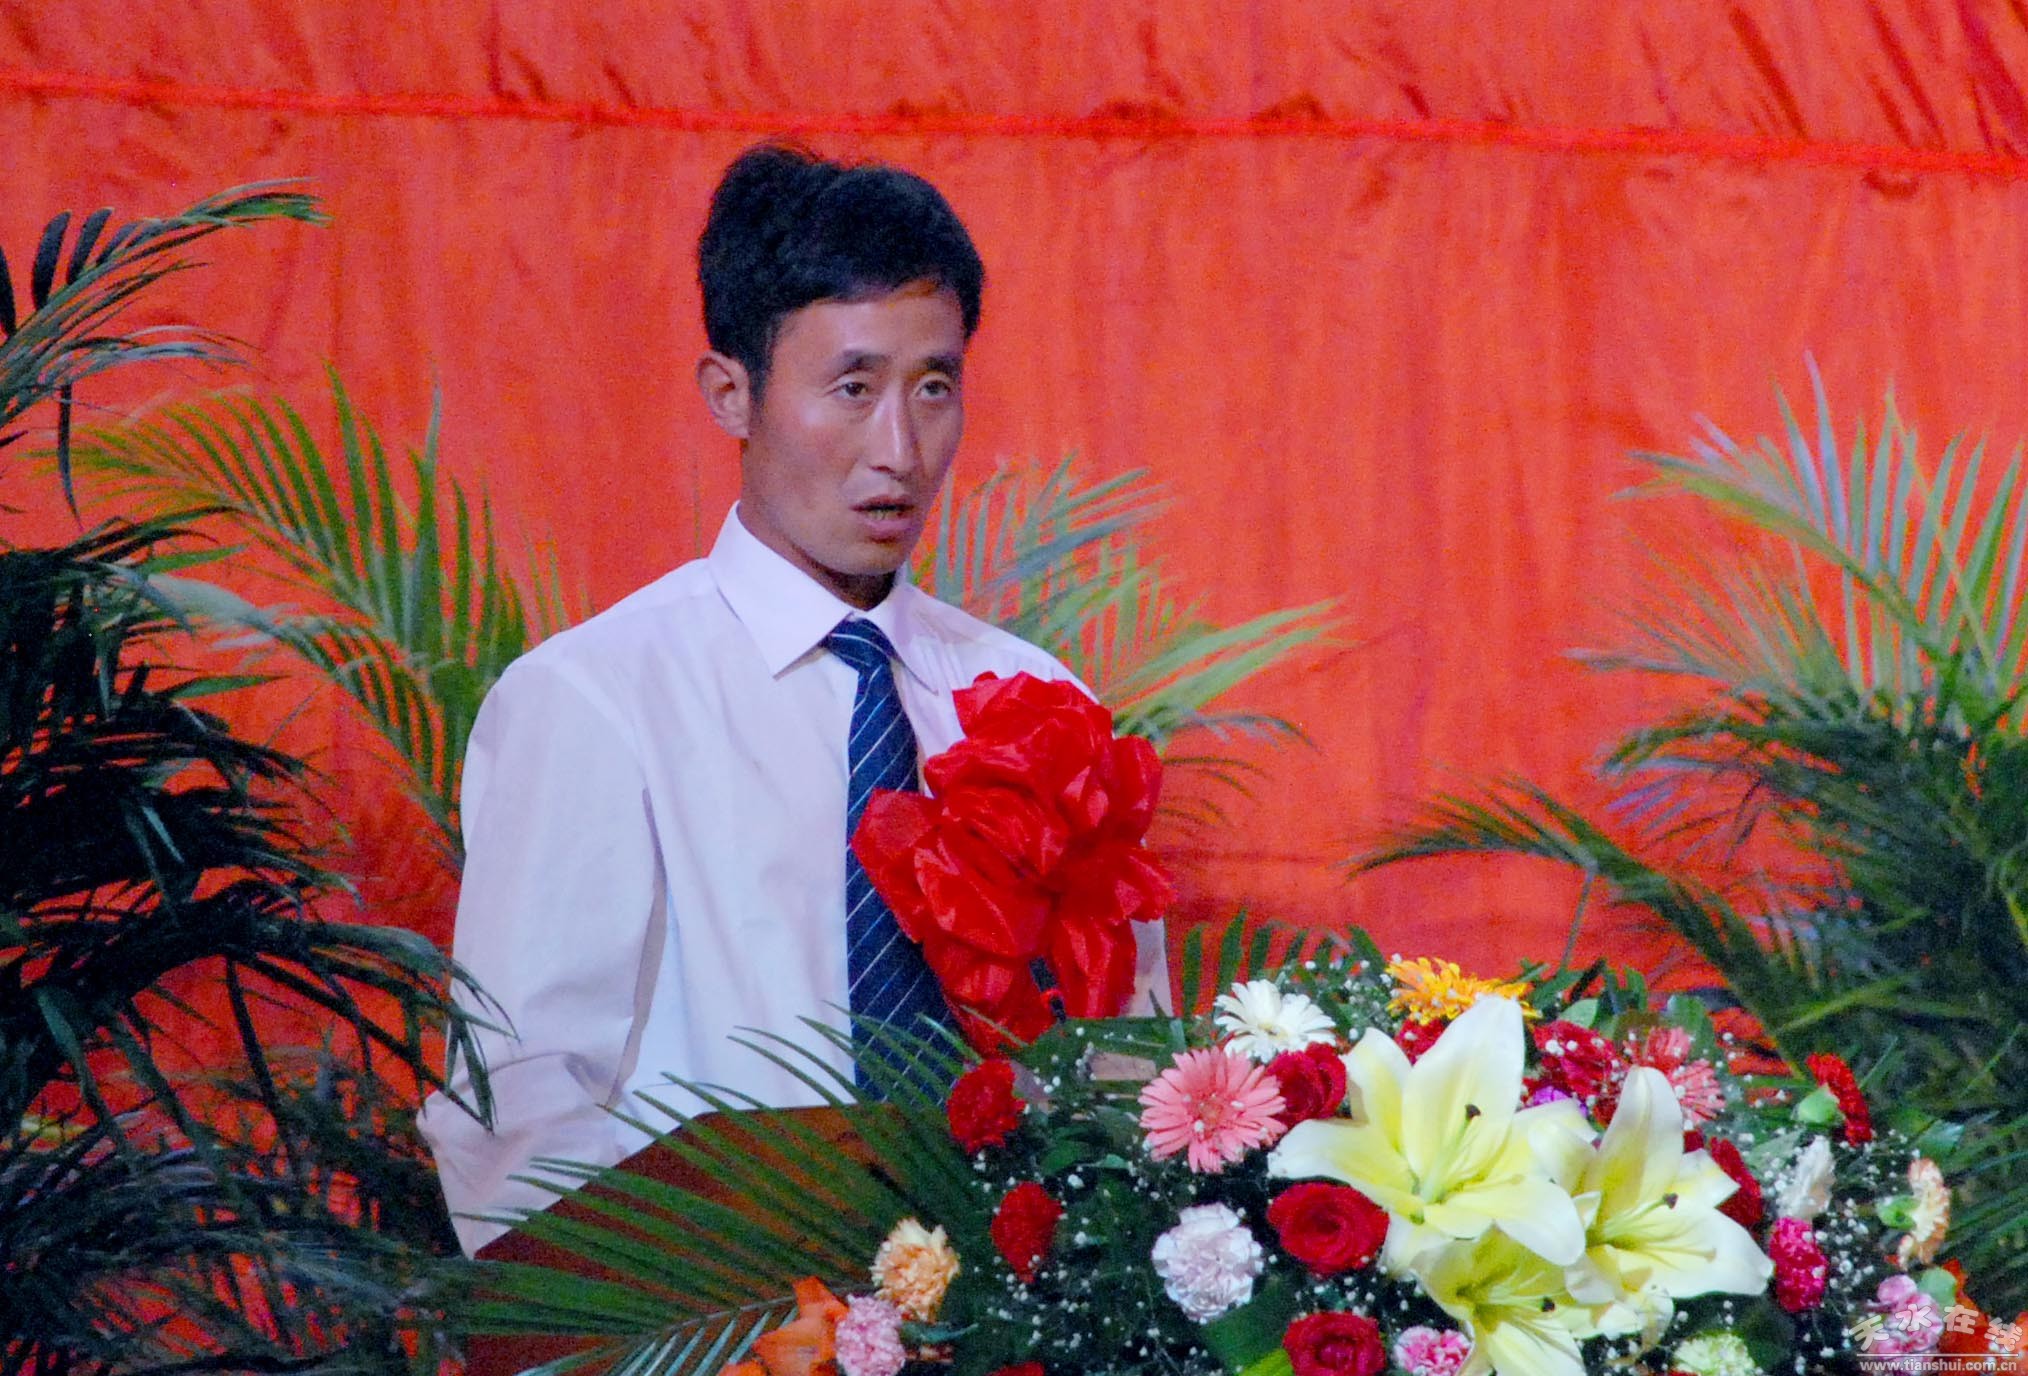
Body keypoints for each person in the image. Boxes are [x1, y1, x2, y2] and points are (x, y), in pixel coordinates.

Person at [417, 144, 1168, 1256]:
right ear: (732, 393)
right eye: (853, 388)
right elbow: (518, 1112)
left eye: (934, 387)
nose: (899, 451)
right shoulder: (595, 702)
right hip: (719, 1309)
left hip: (1007, 1308)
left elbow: (1127, 1057)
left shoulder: (1036, 701)